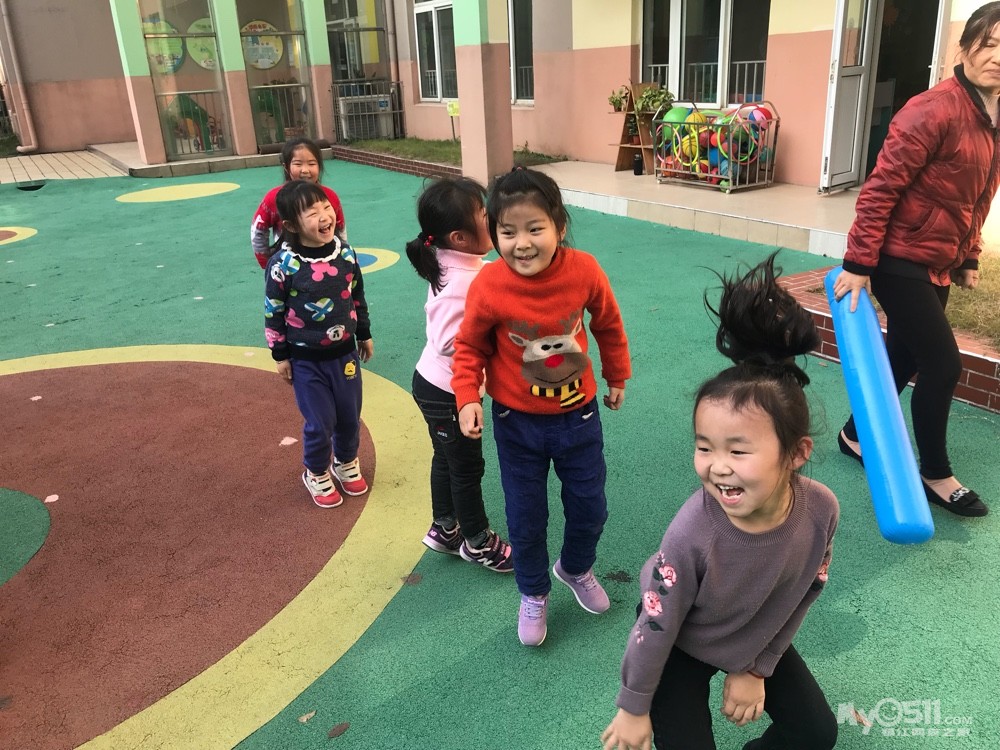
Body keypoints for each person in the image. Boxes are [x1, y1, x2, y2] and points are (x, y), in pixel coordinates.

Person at [601, 255, 839, 750]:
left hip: (752, 632)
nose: (717, 466)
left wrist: (757, 666)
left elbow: (805, 591)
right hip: (678, 641)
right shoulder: (693, 531)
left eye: (738, 450)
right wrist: (633, 706)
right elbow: (655, 623)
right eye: (704, 447)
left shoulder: (821, 510)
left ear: (797, 454)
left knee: (816, 733)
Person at [831, 2, 1000, 518]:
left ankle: (853, 435)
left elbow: (979, 194)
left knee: (903, 358)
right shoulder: (932, 109)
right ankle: (935, 472)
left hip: (937, 260)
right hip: (896, 257)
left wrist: (969, 256)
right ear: (965, 47)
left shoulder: (994, 115)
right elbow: (881, 188)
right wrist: (859, 263)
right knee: (943, 364)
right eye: (990, 44)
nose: (997, 57)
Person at [451, 167, 631, 646]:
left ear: (559, 226)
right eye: (508, 232)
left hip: (579, 416)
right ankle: (533, 591)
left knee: (590, 507)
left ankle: (575, 568)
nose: (522, 244)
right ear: (494, 234)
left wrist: (617, 375)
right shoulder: (489, 284)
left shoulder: (584, 270)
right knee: (526, 518)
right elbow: (469, 346)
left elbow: (608, 324)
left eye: (535, 228)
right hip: (516, 424)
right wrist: (467, 396)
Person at [406, 176, 514, 573]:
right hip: (447, 392)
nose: (494, 218)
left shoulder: (456, 261)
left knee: (447, 458)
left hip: (433, 384)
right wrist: (496, 337)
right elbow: (448, 340)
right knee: (466, 469)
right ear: (460, 237)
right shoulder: (462, 282)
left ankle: (444, 527)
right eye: (485, 215)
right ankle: (476, 541)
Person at [264, 180, 373, 508]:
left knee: (350, 415)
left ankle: (345, 460)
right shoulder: (284, 265)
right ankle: (315, 471)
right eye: (312, 213)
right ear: (291, 225)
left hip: (346, 355)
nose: (324, 216)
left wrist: (364, 333)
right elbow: (274, 310)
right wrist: (280, 354)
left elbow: (357, 295)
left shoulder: (346, 253)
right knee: (320, 421)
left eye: (326, 207)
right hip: (306, 359)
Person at [252, 137, 347, 269]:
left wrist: (343, 257)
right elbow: (258, 230)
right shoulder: (275, 198)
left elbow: (340, 229)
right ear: (286, 167)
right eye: (298, 164)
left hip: (327, 262)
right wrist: (266, 262)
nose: (305, 170)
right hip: (289, 266)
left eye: (311, 163)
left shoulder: (330, 196)